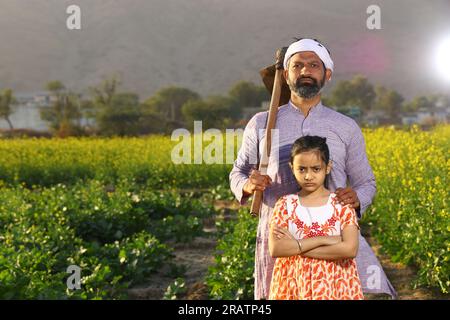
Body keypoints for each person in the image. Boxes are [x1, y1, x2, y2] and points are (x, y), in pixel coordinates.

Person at [229, 38, 397, 299]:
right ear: (285, 75)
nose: (305, 71)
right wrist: (248, 184)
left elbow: (366, 183)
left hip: (333, 242)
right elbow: (237, 172)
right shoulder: (261, 123)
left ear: (326, 74)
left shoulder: (345, 127)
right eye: (297, 66)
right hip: (281, 240)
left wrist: (358, 198)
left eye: (313, 65)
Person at [269, 135, 364, 300]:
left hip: (335, 286)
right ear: (292, 167)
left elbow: (350, 249)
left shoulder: (342, 205)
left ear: (328, 167)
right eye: (302, 169)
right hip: (294, 286)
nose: (308, 176)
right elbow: (277, 249)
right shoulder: (284, 205)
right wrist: (325, 239)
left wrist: (296, 247)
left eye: (316, 169)